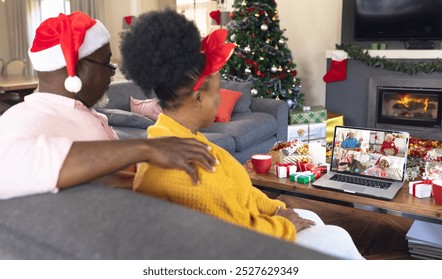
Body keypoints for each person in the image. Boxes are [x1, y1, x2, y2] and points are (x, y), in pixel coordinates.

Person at [120, 9, 364, 260]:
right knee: (337, 237)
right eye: (217, 92)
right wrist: (285, 224)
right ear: (198, 98)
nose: (220, 100)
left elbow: (240, 192)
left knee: (312, 218)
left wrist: (278, 208)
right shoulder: (182, 167)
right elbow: (233, 237)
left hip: (253, 227)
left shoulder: (183, 137)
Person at [0, 11, 217, 200]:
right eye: (106, 64)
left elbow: (102, 175)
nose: (112, 74)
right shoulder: (27, 117)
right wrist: (146, 149)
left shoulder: (77, 110)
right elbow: (6, 165)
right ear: (76, 67)